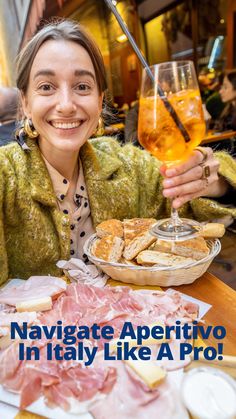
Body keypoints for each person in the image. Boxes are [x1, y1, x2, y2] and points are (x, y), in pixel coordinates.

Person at [0, 19, 235, 285]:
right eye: (46, 87)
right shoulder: (5, 176)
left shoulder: (127, 166)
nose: (66, 105)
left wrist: (211, 181)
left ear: (99, 101)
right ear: (26, 103)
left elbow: (196, 210)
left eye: (82, 87)